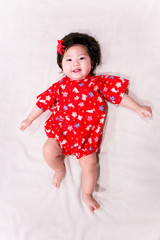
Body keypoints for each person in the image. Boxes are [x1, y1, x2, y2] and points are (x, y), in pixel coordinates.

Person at [20, 32, 152, 213]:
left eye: (81, 58)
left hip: (86, 139)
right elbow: (43, 102)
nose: (75, 63)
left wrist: (137, 108)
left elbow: (119, 96)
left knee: (89, 165)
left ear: (92, 62)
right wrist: (29, 118)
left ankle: (87, 194)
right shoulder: (60, 86)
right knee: (48, 150)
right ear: (61, 64)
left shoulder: (98, 83)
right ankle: (59, 170)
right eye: (69, 60)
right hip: (62, 134)